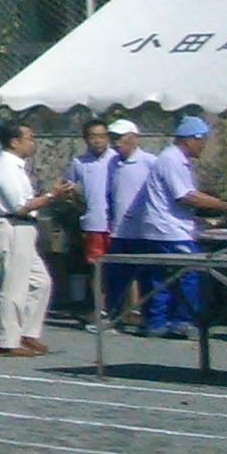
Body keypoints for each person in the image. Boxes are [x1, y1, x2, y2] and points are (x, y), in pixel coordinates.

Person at [123, 113, 227, 339]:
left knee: (160, 277)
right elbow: (185, 196)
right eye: (202, 141)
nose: (203, 146)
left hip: (160, 230)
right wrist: (224, 206)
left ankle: (156, 321)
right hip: (169, 232)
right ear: (190, 139)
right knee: (188, 273)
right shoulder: (172, 160)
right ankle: (182, 321)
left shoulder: (172, 159)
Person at [0, 121, 74, 355]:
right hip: (12, 226)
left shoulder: (17, 167)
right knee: (14, 286)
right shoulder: (4, 167)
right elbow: (21, 206)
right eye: (28, 138)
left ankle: (26, 332)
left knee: (40, 281)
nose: (32, 143)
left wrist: (50, 195)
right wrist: (51, 195)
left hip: (25, 229)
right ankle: (6, 341)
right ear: (14, 141)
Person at [100, 119, 154, 328]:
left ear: (134, 138)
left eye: (119, 138)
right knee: (116, 277)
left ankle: (148, 318)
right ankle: (114, 317)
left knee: (147, 278)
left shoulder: (150, 162)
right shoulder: (112, 163)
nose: (115, 143)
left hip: (143, 232)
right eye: (112, 138)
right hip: (119, 232)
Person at [66, 118, 117, 327]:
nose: (98, 141)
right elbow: (67, 187)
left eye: (102, 136)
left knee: (120, 266)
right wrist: (79, 205)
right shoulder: (80, 162)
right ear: (86, 139)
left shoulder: (116, 159)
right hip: (93, 224)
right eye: (93, 136)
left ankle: (126, 309)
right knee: (96, 268)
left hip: (116, 224)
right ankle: (99, 308)